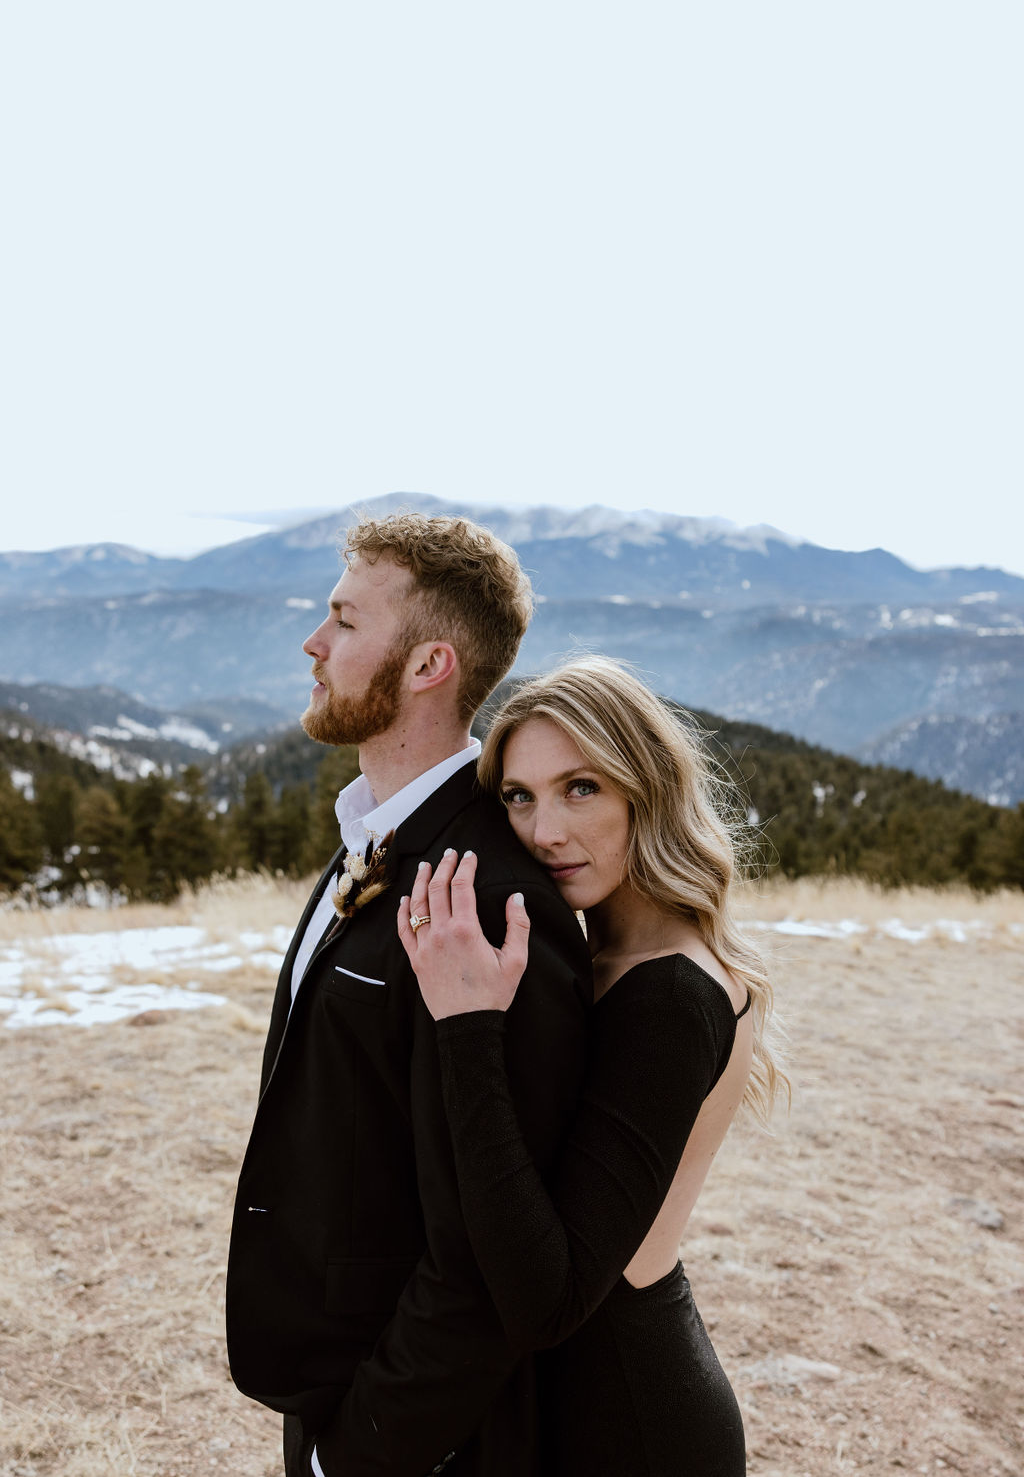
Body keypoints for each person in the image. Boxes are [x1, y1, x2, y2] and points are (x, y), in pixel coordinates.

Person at [225, 514, 592, 1477]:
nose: (314, 643)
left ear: (430, 663)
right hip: (335, 1380)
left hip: (412, 1436)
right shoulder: (375, 839)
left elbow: (485, 1242)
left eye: (344, 621)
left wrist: (364, 1448)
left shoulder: (492, 902)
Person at [399, 656, 788, 1477]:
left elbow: (552, 1299)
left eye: (582, 788)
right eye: (519, 795)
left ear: (644, 787)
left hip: (629, 1424)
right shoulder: (604, 951)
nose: (545, 831)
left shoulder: (670, 995)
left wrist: (466, 1027)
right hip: (576, 1405)